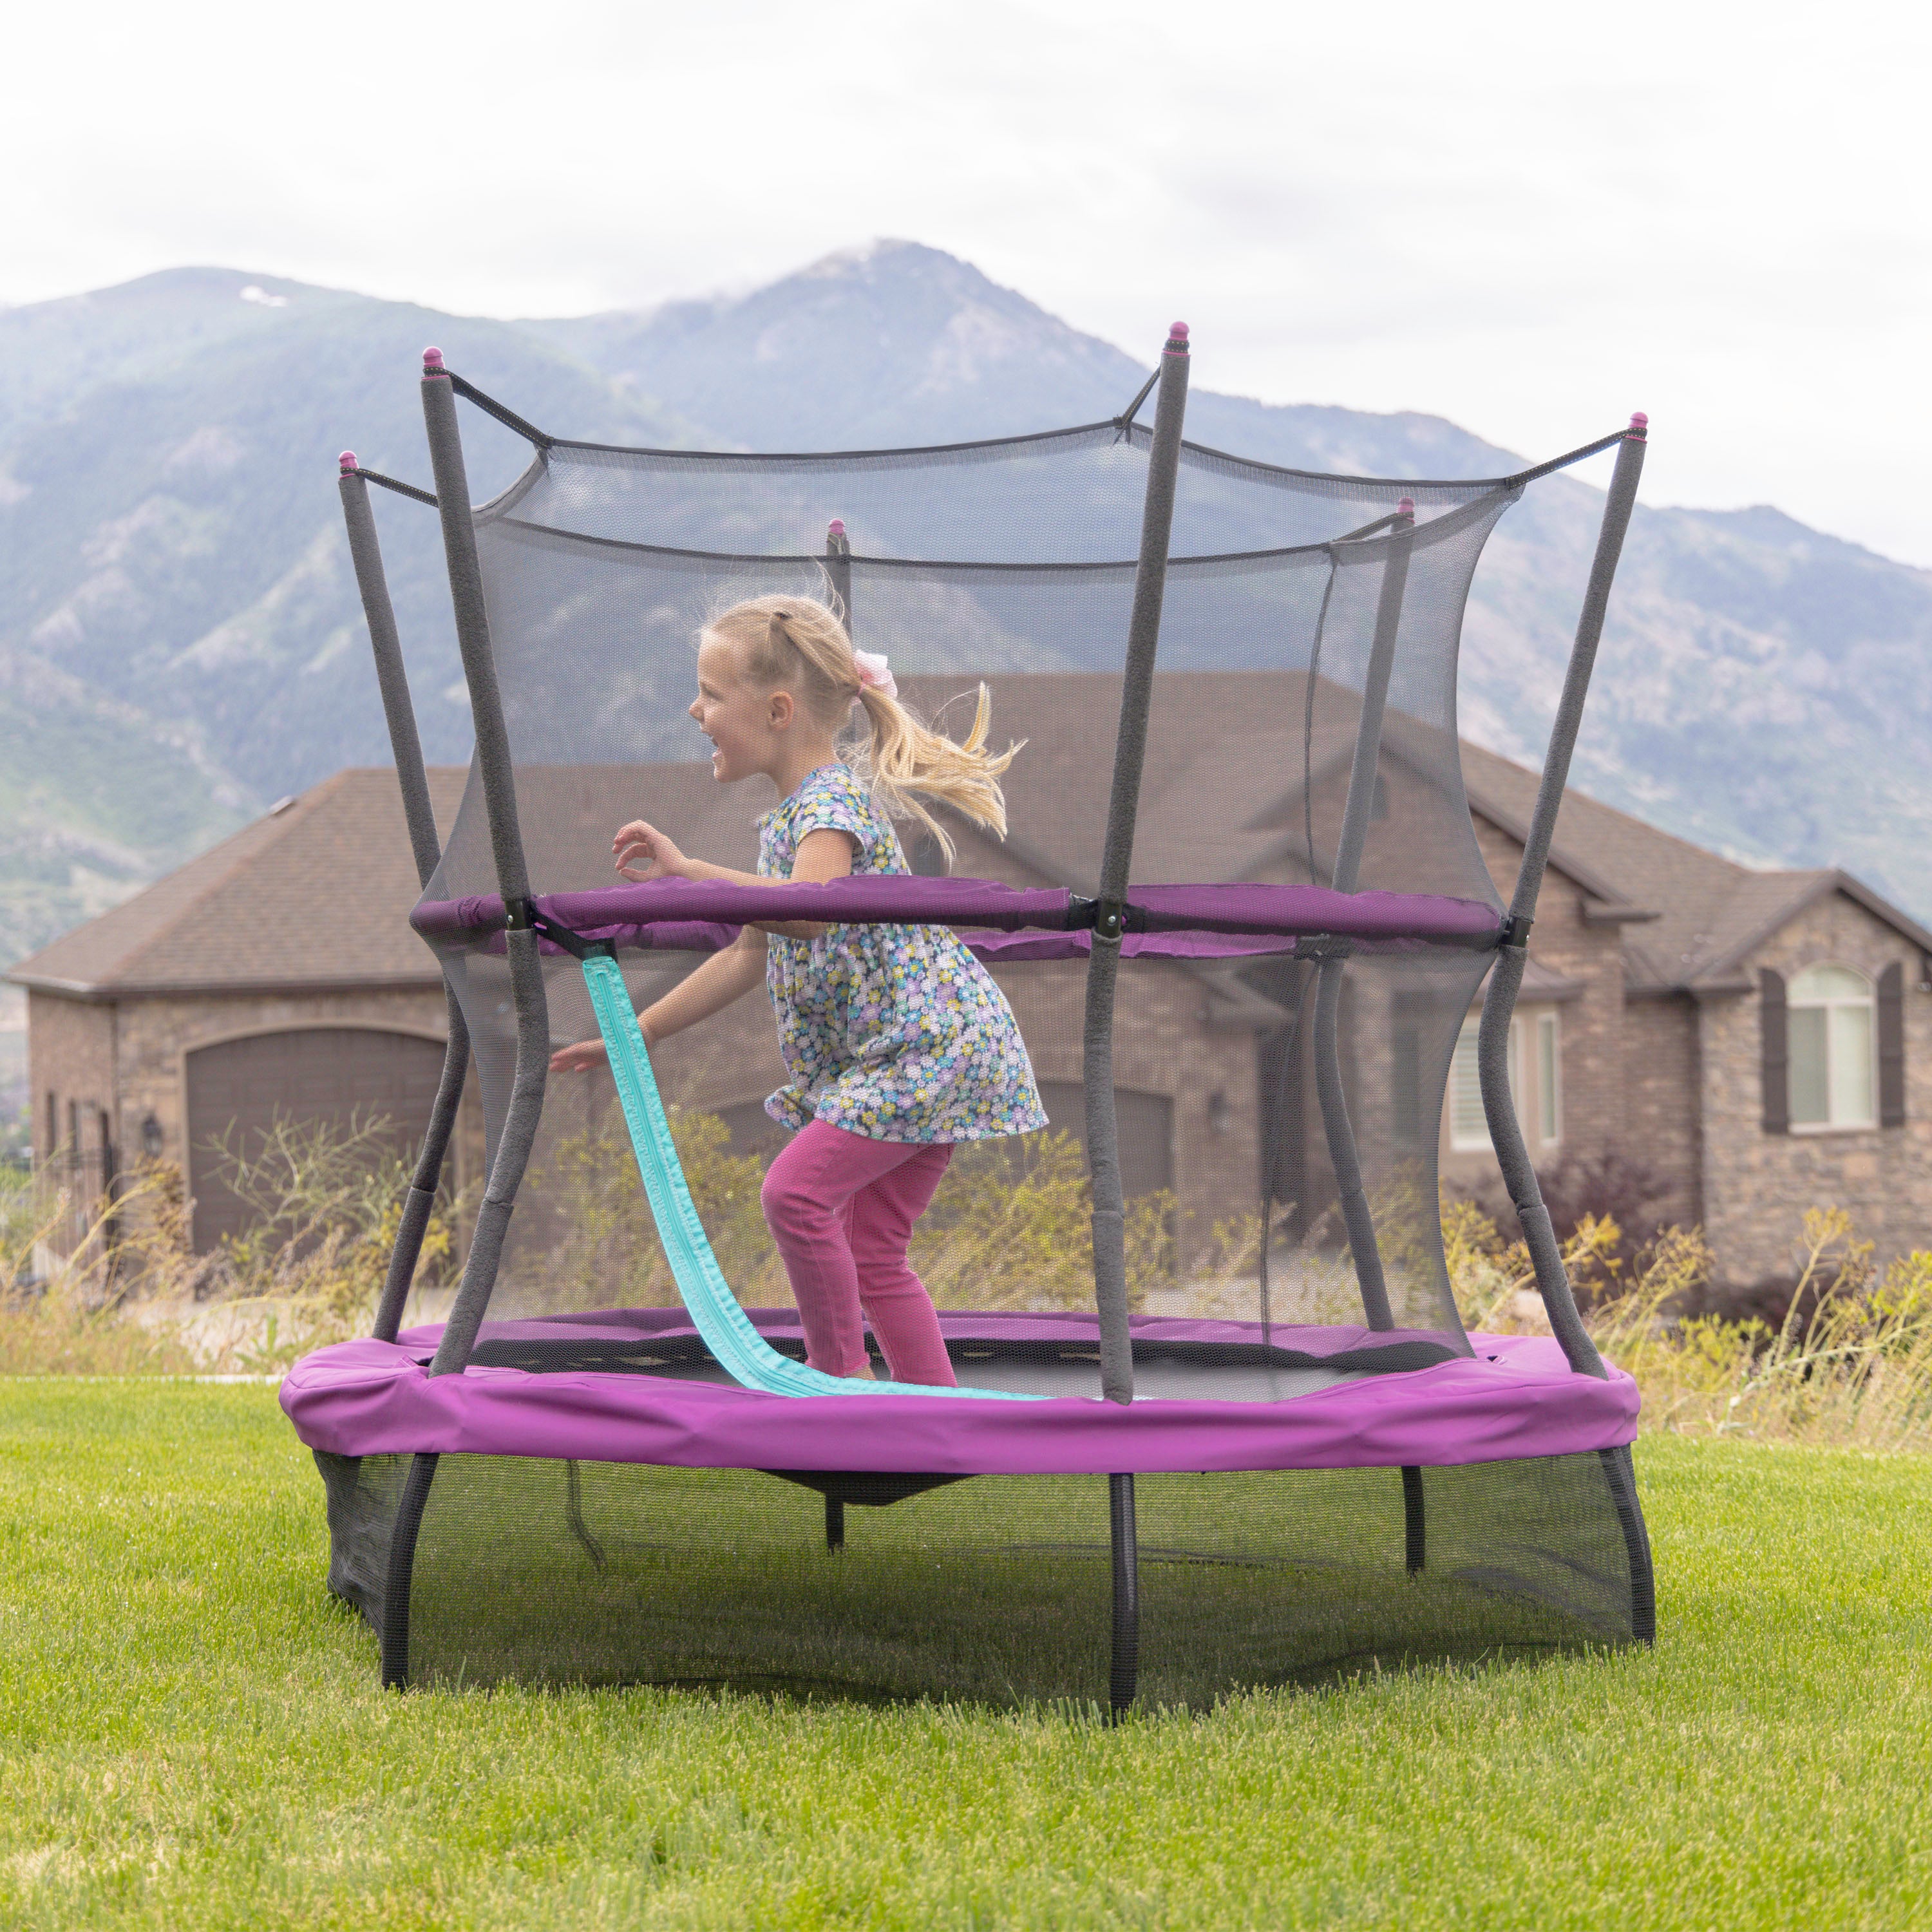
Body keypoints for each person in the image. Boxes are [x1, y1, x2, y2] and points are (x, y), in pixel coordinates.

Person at [549, 594, 1047, 1385]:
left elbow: (810, 916)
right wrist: (634, 1032)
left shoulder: (828, 804)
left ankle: (835, 1387)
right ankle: (937, 1415)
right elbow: (748, 954)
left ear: (778, 710)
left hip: (924, 1050)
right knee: (873, 1252)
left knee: (794, 1196)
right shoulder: (793, 816)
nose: (695, 709)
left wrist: (687, 872)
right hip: (925, 1052)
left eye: (712, 694)